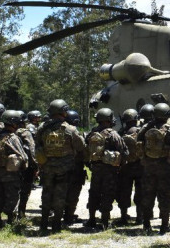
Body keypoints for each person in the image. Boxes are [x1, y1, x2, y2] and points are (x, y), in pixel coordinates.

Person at [35, 100, 86, 234]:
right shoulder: (70, 129)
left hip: (47, 168)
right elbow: (80, 146)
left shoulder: (42, 128)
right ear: (64, 111)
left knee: (46, 193)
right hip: (65, 168)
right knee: (60, 195)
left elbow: (37, 144)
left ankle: (44, 223)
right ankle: (56, 224)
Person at [137, 103, 170, 233]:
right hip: (165, 169)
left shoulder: (145, 129)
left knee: (148, 196)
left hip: (148, 169)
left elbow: (139, 145)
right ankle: (164, 226)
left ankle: (146, 225)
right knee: (165, 197)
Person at [85, 108, 127, 230]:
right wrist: (120, 164)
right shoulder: (113, 134)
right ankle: (104, 222)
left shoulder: (92, 133)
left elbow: (86, 148)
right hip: (110, 171)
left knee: (94, 193)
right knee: (107, 194)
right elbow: (124, 151)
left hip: (96, 169)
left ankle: (91, 219)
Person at [0, 110, 28, 228]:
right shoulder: (13, 138)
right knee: (12, 196)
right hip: (10, 174)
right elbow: (22, 155)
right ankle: (11, 221)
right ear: (14, 123)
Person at [117, 108, 143, 225]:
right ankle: (139, 217)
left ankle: (123, 216)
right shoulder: (141, 131)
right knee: (140, 191)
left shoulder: (121, 132)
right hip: (140, 166)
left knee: (124, 191)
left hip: (125, 167)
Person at [18, 110, 41, 219]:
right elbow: (31, 149)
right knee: (24, 190)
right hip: (25, 165)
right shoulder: (26, 131)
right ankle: (21, 213)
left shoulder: (9, 131)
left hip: (11, 165)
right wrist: (36, 166)